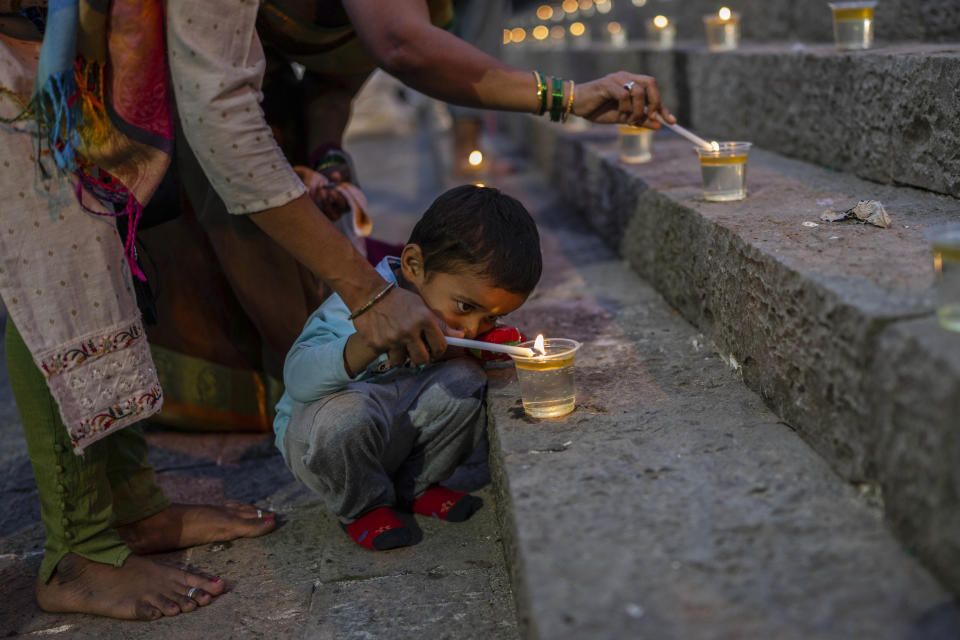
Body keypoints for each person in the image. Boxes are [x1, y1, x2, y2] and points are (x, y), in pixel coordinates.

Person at [275, 185, 541, 550]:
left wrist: (487, 351)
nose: (471, 329)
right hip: (324, 444)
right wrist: (368, 343)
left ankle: (415, 486)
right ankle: (362, 507)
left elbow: (458, 362)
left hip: (392, 428)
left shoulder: (453, 322)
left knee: (466, 380)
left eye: (492, 317)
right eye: (465, 307)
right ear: (415, 266)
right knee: (346, 413)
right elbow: (297, 380)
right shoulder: (353, 308)